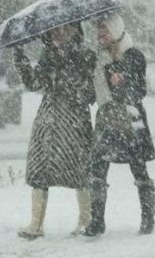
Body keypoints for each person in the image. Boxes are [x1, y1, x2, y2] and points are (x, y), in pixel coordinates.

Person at [14, 22, 97, 239]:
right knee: (39, 170)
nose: (58, 34)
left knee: (80, 170)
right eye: (54, 30)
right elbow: (33, 83)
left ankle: (85, 220)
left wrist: (69, 72)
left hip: (74, 121)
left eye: (64, 29)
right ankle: (36, 224)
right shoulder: (48, 56)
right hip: (47, 120)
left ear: (75, 31)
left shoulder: (86, 56)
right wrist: (20, 57)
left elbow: (90, 93)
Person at [87, 14, 155, 236]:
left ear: (116, 30)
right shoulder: (99, 58)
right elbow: (95, 90)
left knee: (138, 168)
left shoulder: (133, 55)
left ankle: (148, 220)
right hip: (107, 115)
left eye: (105, 31)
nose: (101, 37)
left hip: (129, 117)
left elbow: (140, 91)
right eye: (99, 33)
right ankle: (97, 221)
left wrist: (123, 82)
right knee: (98, 168)